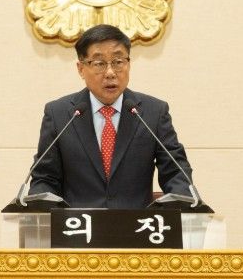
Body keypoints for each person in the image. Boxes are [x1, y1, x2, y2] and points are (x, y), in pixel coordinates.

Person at [28, 24, 196, 209]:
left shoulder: (153, 112)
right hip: (77, 225)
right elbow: (44, 178)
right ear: (81, 68)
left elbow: (176, 172)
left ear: (128, 64)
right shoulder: (59, 114)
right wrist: (40, 210)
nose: (110, 73)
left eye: (118, 61)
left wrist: (181, 204)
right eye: (99, 63)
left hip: (136, 224)